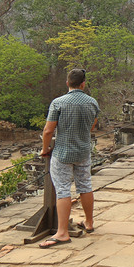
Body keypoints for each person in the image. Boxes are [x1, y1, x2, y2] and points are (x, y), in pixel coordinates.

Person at [39, 68, 99, 248]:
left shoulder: (58, 103)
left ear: (67, 83)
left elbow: (48, 130)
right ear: (83, 84)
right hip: (83, 151)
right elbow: (92, 126)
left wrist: (44, 148)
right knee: (85, 185)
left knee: (63, 189)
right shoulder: (92, 103)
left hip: (63, 152)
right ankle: (89, 223)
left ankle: (62, 232)